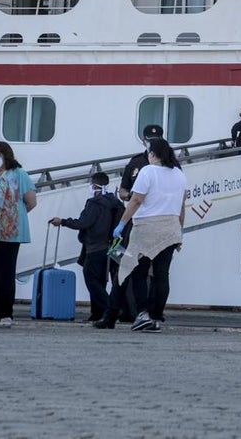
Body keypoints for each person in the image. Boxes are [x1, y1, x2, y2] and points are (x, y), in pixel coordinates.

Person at [112, 137, 186, 333]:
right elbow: (181, 207)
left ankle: (142, 314)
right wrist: (180, 230)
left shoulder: (148, 171)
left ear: (153, 154)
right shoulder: (179, 174)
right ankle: (155, 316)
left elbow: (135, 201)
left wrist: (121, 223)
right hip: (171, 227)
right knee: (162, 274)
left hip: (147, 226)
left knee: (139, 271)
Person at [51, 172, 124, 328]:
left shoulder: (94, 203)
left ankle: (111, 308)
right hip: (111, 247)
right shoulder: (115, 202)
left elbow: (84, 223)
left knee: (92, 281)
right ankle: (98, 314)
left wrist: (62, 221)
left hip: (94, 247)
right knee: (101, 281)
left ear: (94, 186)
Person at [0, 140, 37, 328]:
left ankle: (5, 313)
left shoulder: (18, 174)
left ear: (6, 155)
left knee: (5, 273)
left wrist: (12, 216)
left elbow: (31, 202)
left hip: (9, 233)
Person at [115, 123, 163, 321]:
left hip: (157, 221)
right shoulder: (136, 163)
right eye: (149, 140)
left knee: (157, 271)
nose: (151, 144)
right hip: (136, 220)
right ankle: (130, 311)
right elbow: (123, 190)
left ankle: (154, 312)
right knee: (132, 267)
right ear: (144, 140)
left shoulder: (169, 164)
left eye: (155, 140)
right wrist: (131, 197)